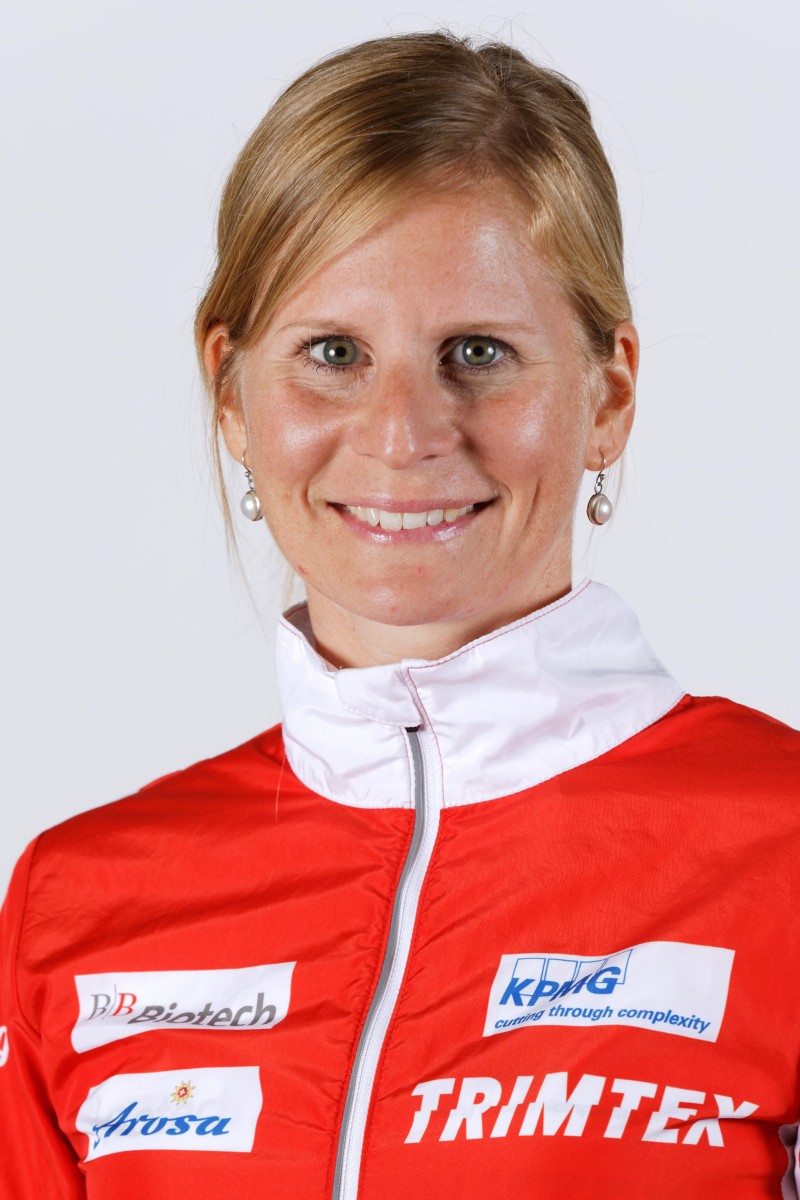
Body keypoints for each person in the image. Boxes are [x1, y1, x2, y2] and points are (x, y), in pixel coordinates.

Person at [1, 28, 798, 1200]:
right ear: (232, 393)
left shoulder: (780, 853)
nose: (400, 435)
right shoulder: (80, 902)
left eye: (477, 352)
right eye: (332, 352)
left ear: (607, 396)